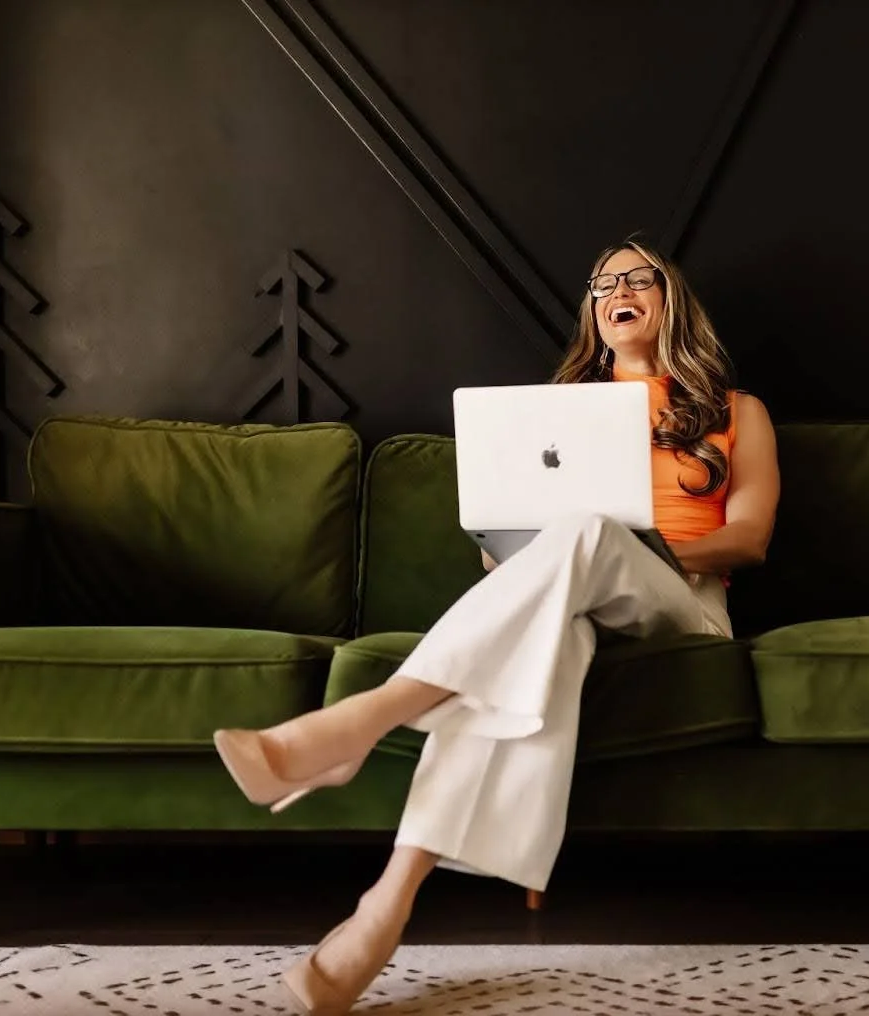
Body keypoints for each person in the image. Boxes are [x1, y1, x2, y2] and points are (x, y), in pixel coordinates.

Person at [213, 239, 781, 1014]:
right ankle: (384, 907)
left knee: (586, 530)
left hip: (683, 603)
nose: (618, 290)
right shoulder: (553, 414)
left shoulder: (733, 409)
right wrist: (514, 543)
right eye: (601, 282)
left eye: (636, 277)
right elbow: (498, 566)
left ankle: (362, 720)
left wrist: (633, 545)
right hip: (565, 600)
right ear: (592, 311)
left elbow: (748, 538)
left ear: (667, 296)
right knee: (544, 637)